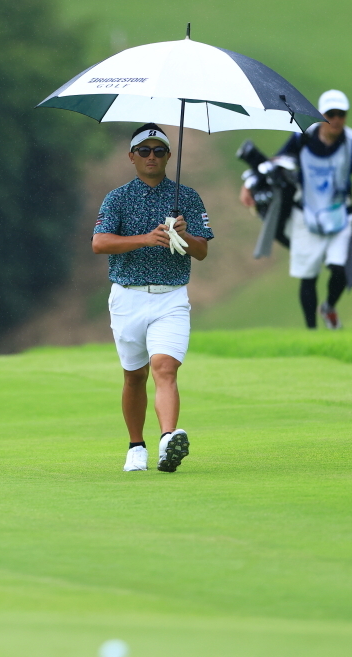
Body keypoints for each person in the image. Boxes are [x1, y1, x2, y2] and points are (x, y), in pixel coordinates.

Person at [92, 125, 213, 473]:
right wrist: (145, 239)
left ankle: (166, 440)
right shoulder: (117, 198)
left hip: (170, 297)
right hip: (127, 296)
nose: (151, 157)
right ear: (131, 156)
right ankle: (136, 446)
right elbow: (100, 243)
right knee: (134, 375)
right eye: (143, 150)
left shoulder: (186, 198)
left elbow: (202, 251)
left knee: (165, 368)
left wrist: (183, 233)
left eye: (159, 151)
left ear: (168, 157)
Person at [239, 89, 352, 330]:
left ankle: (329, 307)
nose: (336, 119)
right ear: (320, 115)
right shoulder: (302, 137)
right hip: (305, 216)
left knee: (340, 269)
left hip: (340, 215)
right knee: (308, 276)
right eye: (330, 114)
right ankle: (311, 331)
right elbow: (276, 162)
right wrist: (250, 183)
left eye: (341, 114)